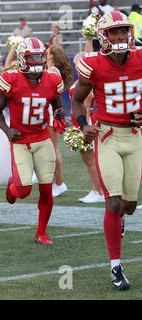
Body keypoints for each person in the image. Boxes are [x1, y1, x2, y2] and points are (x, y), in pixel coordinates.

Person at [72, 11, 142, 290]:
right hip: (108, 135)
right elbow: (77, 100)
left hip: (135, 136)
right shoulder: (94, 65)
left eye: (123, 31)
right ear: (103, 36)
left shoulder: (140, 58)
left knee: (130, 206)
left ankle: (121, 217)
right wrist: (82, 124)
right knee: (112, 202)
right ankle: (116, 267)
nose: (120, 36)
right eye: (114, 32)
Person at [0, 37, 65, 246]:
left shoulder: (51, 79)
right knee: (23, 190)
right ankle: (12, 186)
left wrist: (59, 113)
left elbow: (57, 104)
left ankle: (41, 232)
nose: (36, 62)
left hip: (42, 139)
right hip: (20, 140)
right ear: (22, 59)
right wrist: (7, 131)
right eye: (31, 58)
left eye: (39, 57)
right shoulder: (11, 79)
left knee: (46, 188)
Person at [69, 52, 104, 204]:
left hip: (85, 124)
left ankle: (99, 191)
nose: (77, 67)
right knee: (88, 160)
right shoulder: (79, 82)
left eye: (79, 64)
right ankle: (96, 190)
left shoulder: (86, 84)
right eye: (76, 64)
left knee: (91, 160)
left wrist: (83, 127)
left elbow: (87, 108)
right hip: (79, 123)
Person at [46, 46, 73, 197]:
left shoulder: (52, 71)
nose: (44, 53)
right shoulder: (52, 70)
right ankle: (55, 183)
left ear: (51, 56)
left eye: (47, 52)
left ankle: (59, 183)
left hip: (51, 113)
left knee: (53, 150)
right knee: (51, 149)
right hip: (51, 112)